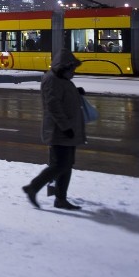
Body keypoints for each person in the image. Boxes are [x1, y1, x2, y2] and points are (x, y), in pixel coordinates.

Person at [22, 48, 86, 210]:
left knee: (66, 164)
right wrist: (65, 127)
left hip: (67, 129)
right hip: (59, 131)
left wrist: (76, 93)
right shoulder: (52, 80)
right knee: (59, 165)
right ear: (63, 67)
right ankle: (33, 188)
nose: (73, 72)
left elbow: (62, 97)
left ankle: (60, 199)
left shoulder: (61, 79)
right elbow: (53, 106)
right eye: (71, 69)